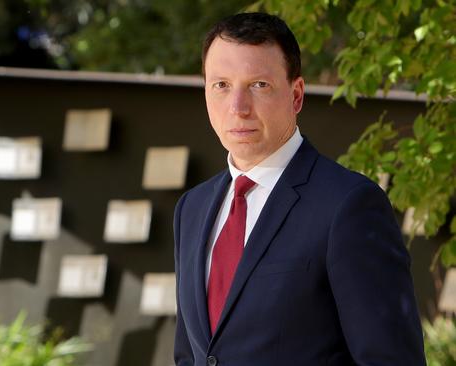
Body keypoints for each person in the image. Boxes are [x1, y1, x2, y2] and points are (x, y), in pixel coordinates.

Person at [173, 12, 425, 366]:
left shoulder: (348, 205)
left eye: (259, 85)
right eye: (222, 85)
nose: (237, 107)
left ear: (296, 95)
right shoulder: (191, 208)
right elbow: (191, 355)